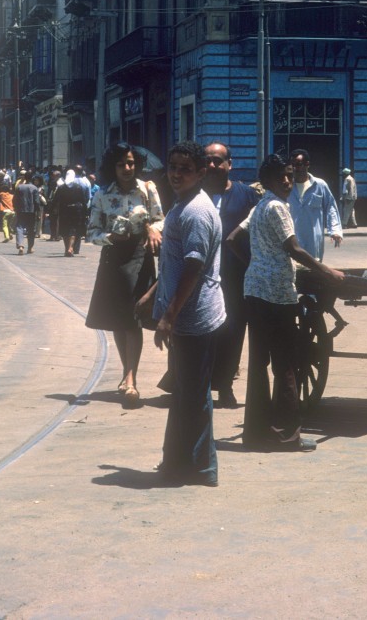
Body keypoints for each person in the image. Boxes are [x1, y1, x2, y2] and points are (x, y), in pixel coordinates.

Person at [228, 154, 344, 452]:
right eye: (281, 176)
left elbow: (232, 239)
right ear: (266, 180)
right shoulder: (278, 207)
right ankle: (287, 436)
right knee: (286, 364)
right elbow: (293, 248)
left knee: (259, 363)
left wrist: (256, 264)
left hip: (254, 290)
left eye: (290, 175)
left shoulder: (259, 206)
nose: (288, 181)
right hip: (277, 295)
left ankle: (255, 433)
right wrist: (326, 271)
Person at [147, 140, 224, 487]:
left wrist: (169, 315)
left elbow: (193, 266)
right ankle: (181, 463)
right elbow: (174, 263)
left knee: (192, 396)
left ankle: (201, 469)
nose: (176, 174)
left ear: (201, 172)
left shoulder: (196, 211)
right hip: (185, 316)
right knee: (188, 393)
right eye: (172, 167)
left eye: (185, 169)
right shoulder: (183, 204)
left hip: (194, 318)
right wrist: (152, 296)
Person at [86, 142, 164, 408]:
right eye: (121, 164)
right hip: (113, 260)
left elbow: (160, 218)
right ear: (113, 167)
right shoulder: (101, 195)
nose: (127, 168)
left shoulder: (148, 189)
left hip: (140, 258)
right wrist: (110, 237)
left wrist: (153, 229)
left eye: (131, 163)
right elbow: (92, 232)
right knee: (120, 321)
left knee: (134, 318)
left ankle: (131, 379)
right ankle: (127, 373)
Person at [203, 142, 261, 409]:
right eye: (208, 161)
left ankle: (225, 386)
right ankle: (197, 384)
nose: (213, 165)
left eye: (218, 160)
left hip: (236, 276)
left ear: (229, 164)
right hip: (201, 277)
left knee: (233, 331)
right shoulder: (195, 195)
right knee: (202, 332)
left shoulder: (246, 195)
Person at [286, 149, 342, 260]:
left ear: (307, 164)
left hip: (313, 240)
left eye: (298, 164)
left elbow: (331, 207)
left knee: (314, 270)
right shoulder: (287, 187)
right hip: (292, 240)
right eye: (292, 165)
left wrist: (335, 230)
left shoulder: (320, 185)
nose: (295, 168)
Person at [56, 165, 91, 257]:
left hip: (64, 211)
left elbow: (56, 199)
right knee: (73, 229)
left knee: (64, 229)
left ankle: (66, 248)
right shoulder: (78, 187)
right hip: (76, 211)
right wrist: (85, 211)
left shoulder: (61, 187)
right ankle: (70, 248)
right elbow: (83, 200)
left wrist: (52, 209)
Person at [13, 171, 44, 255]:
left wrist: (16, 209)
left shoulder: (19, 187)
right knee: (31, 229)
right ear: (32, 178)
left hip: (21, 211)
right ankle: (30, 248)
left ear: (25, 178)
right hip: (31, 211)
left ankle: (20, 246)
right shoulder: (34, 188)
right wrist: (38, 213)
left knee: (19, 227)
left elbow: (15, 200)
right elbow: (37, 202)